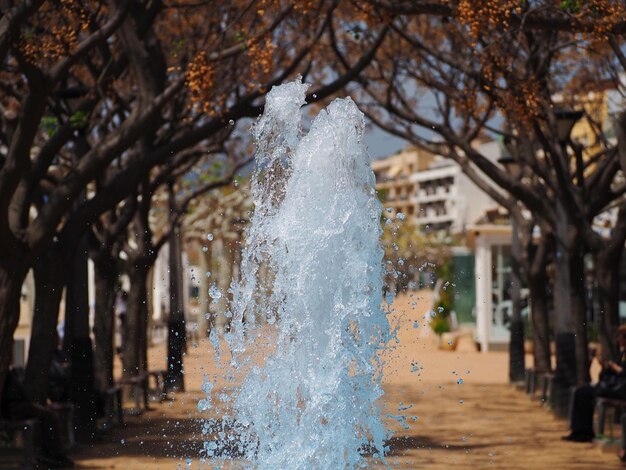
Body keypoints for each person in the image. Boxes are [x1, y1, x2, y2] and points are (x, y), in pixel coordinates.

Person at [1, 364, 74, 468]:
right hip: (11, 408)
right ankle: (55, 453)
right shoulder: (5, 372)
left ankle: (51, 452)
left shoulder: (9, 372)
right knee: (48, 415)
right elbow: (12, 395)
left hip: (17, 405)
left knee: (47, 415)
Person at [562, 324, 626, 443]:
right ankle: (578, 431)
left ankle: (585, 432)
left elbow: (622, 372)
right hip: (612, 386)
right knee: (579, 391)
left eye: (620, 337)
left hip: (620, 389)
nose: (618, 339)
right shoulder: (622, 354)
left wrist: (614, 367)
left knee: (584, 393)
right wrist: (606, 367)